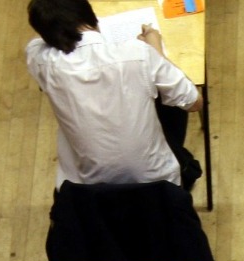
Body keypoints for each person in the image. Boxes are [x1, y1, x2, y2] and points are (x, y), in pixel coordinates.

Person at [25, 0, 203, 191]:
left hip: (84, 190)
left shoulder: (39, 59)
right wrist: (156, 50)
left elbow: (37, 44)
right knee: (170, 105)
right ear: (92, 17)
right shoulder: (140, 54)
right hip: (155, 183)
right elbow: (194, 102)